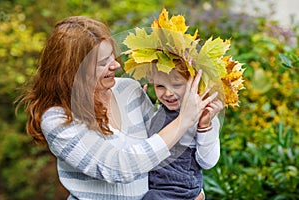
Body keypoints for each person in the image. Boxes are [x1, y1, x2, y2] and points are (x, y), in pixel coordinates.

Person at [15, 16, 219, 199]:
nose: (116, 65)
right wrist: (185, 119)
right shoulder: (58, 119)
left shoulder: (128, 90)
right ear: (74, 70)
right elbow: (118, 167)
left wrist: (190, 192)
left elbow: (165, 145)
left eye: (112, 56)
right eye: (103, 62)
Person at [142, 61, 223, 200]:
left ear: (195, 83)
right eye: (160, 86)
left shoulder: (204, 116)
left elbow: (208, 162)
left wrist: (204, 127)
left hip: (180, 190)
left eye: (177, 85)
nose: (168, 93)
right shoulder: (157, 112)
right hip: (155, 186)